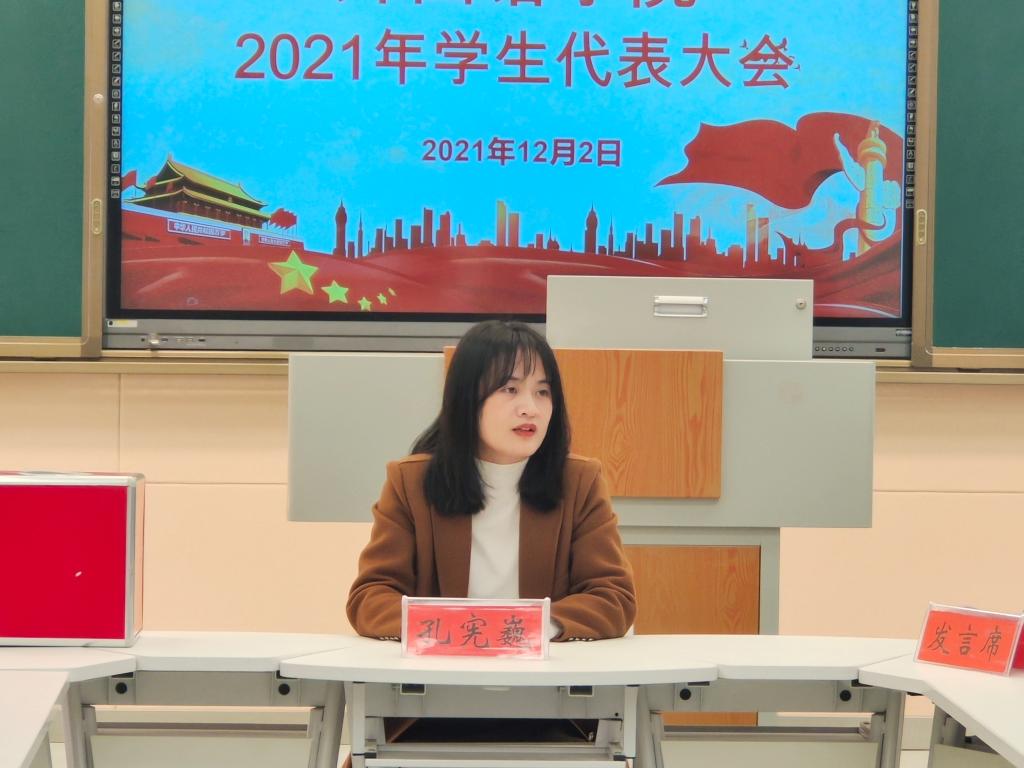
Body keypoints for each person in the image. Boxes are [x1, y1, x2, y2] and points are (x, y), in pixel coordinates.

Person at [347, 319, 636, 643]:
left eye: (542, 392)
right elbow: (371, 598)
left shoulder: (579, 482)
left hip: (543, 669)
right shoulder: (410, 482)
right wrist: (454, 629)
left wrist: (529, 628)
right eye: (510, 389)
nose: (530, 409)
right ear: (468, 399)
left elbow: (613, 597)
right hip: (441, 667)